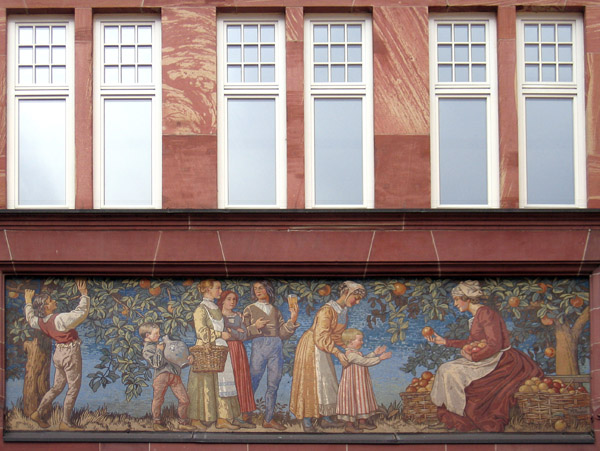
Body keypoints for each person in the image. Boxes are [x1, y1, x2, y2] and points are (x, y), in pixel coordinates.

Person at [426, 280, 543, 432]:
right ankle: (453, 416)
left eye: (456, 299)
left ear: (467, 299)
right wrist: (445, 341)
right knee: (445, 368)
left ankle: (459, 418)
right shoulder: (477, 315)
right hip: (486, 357)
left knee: (451, 371)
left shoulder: (486, 313)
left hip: (501, 360)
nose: (455, 304)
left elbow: (495, 344)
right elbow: (472, 342)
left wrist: (472, 358)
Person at [289, 281, 366, 432]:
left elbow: (336, 336)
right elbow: (321, 335)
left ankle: (325, 417)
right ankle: (307, 420)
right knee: (311, 382)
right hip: (312, 345)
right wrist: (337, 352)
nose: (357, 302)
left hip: (324, 346)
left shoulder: (342, 312)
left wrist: (347, 348)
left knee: (327, 380)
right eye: (355, 298)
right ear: (346, 294)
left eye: (359, 299)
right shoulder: (327, 310)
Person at [24, 279, 90, 431]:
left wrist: (28, 302)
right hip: (70, 353)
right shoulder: (59, 319)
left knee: (57, 387)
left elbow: (30, 319)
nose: (54, 302)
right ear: (46, 307)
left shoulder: (41, 322)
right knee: (73, 388)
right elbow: (80, 314)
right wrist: (84, 295)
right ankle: (65, 423)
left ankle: (38, 413)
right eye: (50, 300)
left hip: (58, 354)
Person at [243, 280, 299, 431]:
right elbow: (242, 333)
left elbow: (282, 333)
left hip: (276, 346)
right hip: (259, 345)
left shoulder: (275, 310)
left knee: (274, 383)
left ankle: (268, 419)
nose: (258, 291)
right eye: (255, 289)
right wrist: (255, 327)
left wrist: (292, 320)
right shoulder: (250, 309)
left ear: (268, 289)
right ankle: (245, 415)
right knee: (253, 380)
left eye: (261, 288)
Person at [187, 279, 241, 430]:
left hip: (219, 351)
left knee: (220, 386)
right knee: (203, 386)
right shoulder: (201, 309)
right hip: (206, 351)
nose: (220, 291)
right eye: (217, 288)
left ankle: (222, 419)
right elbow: (201, 332)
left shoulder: (216, 308)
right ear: (207, 290)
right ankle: (196, 419)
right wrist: (219, 334)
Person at [140, 322, 194, 431]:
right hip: (161, 377)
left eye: (158, 333)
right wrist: (159, 349)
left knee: (185, 400)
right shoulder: (147, 350)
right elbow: (156, 364)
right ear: (147, 335)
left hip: (174, 375)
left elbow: (176, 358)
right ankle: (156, 422)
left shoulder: (162, 343)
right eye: (156, 333)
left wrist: (188, 360)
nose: (159, 335)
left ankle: (182, 421)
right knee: (158, 399)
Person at [336, 328, 391, 433]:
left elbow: (364, 358)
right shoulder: (351, 354)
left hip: (359, 383)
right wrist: (380, 358)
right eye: (360, 340)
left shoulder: (356, 353)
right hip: (351, 385)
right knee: (351, 402)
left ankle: (362, 422)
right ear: (350, 342)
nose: (362, 342)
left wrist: (375, 353)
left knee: (361, 400)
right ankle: (349, 425)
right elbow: (365, 361)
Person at [218, 290, 257, 428]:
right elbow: (221, 334)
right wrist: (235, 333)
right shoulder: (218, 316)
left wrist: (231, 332)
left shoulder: (237, 316)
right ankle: (227, 415)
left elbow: (244, 335)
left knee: (241, 380)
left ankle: (243, 415)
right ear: (222, 300)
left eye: (234, 299)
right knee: (227, 382)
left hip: (238, 351)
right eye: (229, 299)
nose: (232, 302)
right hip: (224, 350)